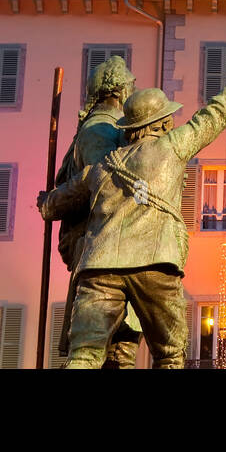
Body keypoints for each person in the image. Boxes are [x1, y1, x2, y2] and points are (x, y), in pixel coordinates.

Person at [38, 42, 226, 368]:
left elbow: (55, 204)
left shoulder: (101, 167)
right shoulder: (172, 147)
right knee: (170, 355)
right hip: (156, 265)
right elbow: (221, 108)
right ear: (159, 124)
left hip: (99, 267)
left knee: (84, 356)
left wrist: (44, 201)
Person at [53, 55, 142, 368]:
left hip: (114, 249)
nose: (135, 87)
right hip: (104, 250)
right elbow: (104, 185)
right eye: (131, 84)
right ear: (117, 91)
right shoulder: (101, 131)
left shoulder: (108, 128)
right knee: (103, 352)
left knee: (118, 351)